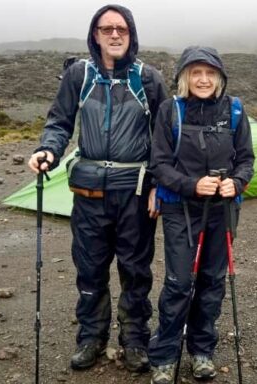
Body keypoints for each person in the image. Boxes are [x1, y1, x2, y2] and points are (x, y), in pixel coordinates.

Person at [27, 4, 167, 373]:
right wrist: (48, 150)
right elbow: (59, 122)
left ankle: (135, 339)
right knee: (89, 269)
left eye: (121, 28)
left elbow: (164, 138)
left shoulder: (148, 79)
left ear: (131, 34)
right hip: (88, 193)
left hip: (135, 194)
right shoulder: (79, 75)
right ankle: (91, 337)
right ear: (95, 35)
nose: (115, 35)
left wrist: (160, 186)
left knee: (135, 270)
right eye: (107, 29)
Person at [147, 46, 254, 384]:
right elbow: (159, 164)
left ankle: (201, 351)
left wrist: (236, 183)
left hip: (222, 211)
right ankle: (164, 356)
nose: (204, 79)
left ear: (219, 78)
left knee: (211, 282)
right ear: (184, 78)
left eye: (210, 73)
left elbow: (247, 160)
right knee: (179, 282)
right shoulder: (170, 111)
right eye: (196, 73)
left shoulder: (235, 111)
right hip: (181, 208)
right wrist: (193, 185)